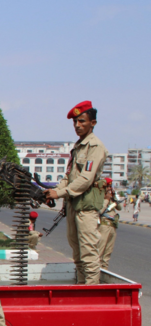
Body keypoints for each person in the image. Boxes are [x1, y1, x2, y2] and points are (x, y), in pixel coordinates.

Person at [44, 101, 108, 285]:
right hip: (74, 204)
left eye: (82, 121)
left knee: (88, 252)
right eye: (75, 122)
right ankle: (82, 286)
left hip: (86, 206)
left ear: (93, 123)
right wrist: (54, 191)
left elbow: (86, 179)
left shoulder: (95, 147)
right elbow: (69, 176)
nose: (77, 126)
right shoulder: (79, 146)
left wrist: (60, 193)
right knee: (77, 251)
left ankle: (92, 292)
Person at [98, 179, 121, 269]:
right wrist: (106, 199)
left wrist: (113, 196)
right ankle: (97, 274)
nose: (109, 188)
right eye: (107, 186)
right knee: (100, 251)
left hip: (112, 226)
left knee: (107, 253)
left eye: (110, 186)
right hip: (104, 225)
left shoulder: (111, 197)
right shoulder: (100, 197)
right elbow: (100, 211)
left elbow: (119, 207)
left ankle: (104, 271)